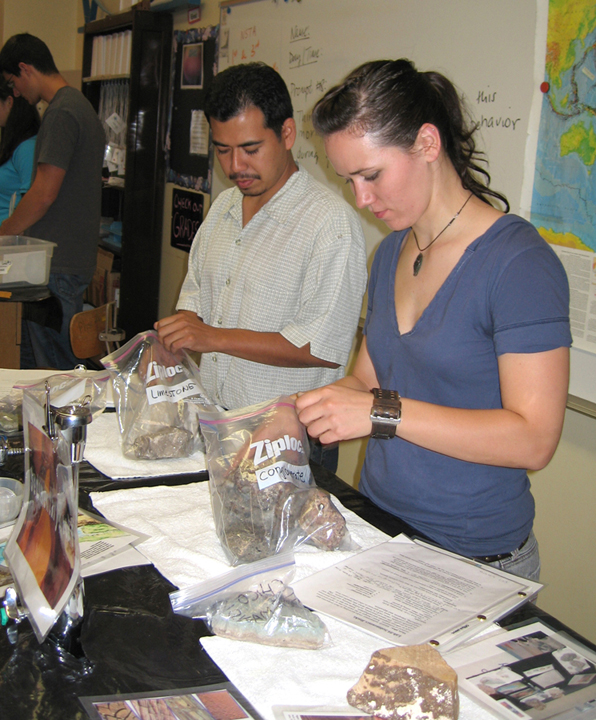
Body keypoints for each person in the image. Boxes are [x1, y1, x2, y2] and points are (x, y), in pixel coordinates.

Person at [295, 59, 571, 579]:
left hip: (476, 558)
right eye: (348, 179)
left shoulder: (518, 264)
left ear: (426, 143)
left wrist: (381, 413)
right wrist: (297, 413)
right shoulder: (390, 253)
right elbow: (366, 382)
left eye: (371, 175)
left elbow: (534, 440)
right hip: (382, 530)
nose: (361, 199)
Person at [155, 62, 367, 472]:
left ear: (286, 134)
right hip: (214, 420)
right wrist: (178, 334)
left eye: (250, 149)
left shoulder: (330, 225)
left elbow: (318, 348)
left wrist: (212, 337)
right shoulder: (224, 207)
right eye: (222, 149)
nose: (235, 167)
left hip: (287, 440)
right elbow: (196, 298)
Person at [0, 33, 105, 370]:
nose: (15, 92)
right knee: (36, 370)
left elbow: (43, 194)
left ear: (25, 69)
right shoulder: (78, 105)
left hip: (57, 266)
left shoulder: (61, 111)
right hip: (64, 262)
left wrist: (3, 233)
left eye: (12, 83)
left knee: (55, 375)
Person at [0, 76, 39, 222]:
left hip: (10, 238)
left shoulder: (27, 148)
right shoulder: (10, 143)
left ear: (9, 102)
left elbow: (31, 203)